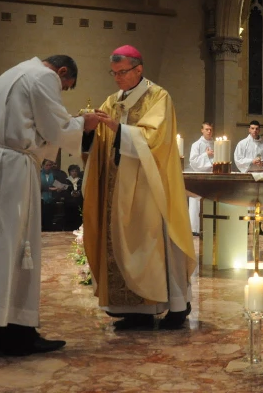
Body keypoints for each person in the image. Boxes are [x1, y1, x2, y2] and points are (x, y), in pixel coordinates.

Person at [0, 55, 107, 357]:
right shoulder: (44, 78)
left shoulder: (11, 72)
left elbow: (38, 124)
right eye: (66, 86)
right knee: (14, 248)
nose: (62, 90)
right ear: (61, 72)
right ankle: (18, 335)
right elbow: (57, 128)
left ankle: (1, 331)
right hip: (11, 169)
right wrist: (86, 122)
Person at [81, 45, 196, 331]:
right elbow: (101, 144)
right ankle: (134, 312)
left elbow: (156, 138)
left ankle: (176, 307)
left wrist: (118, 130)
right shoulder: (111, 101)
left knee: (154, 245)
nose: (117, 78)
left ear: (138, 69)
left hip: (149, 186)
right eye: (114, 73)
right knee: (120, 245)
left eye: (122, 72)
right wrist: (90, 129)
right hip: (116, 187)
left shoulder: (158, 96)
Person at [186, 122, 214, 234]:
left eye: (211, 129)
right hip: (199, 175)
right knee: (196, 203)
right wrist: (206, 155)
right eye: (207, 129)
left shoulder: (218, 144)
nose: (209, 131)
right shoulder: (196, 145)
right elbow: (193, 161)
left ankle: (210, 228)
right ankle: (195, 228)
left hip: (212, 176)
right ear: (202, 130)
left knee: (211, 202)